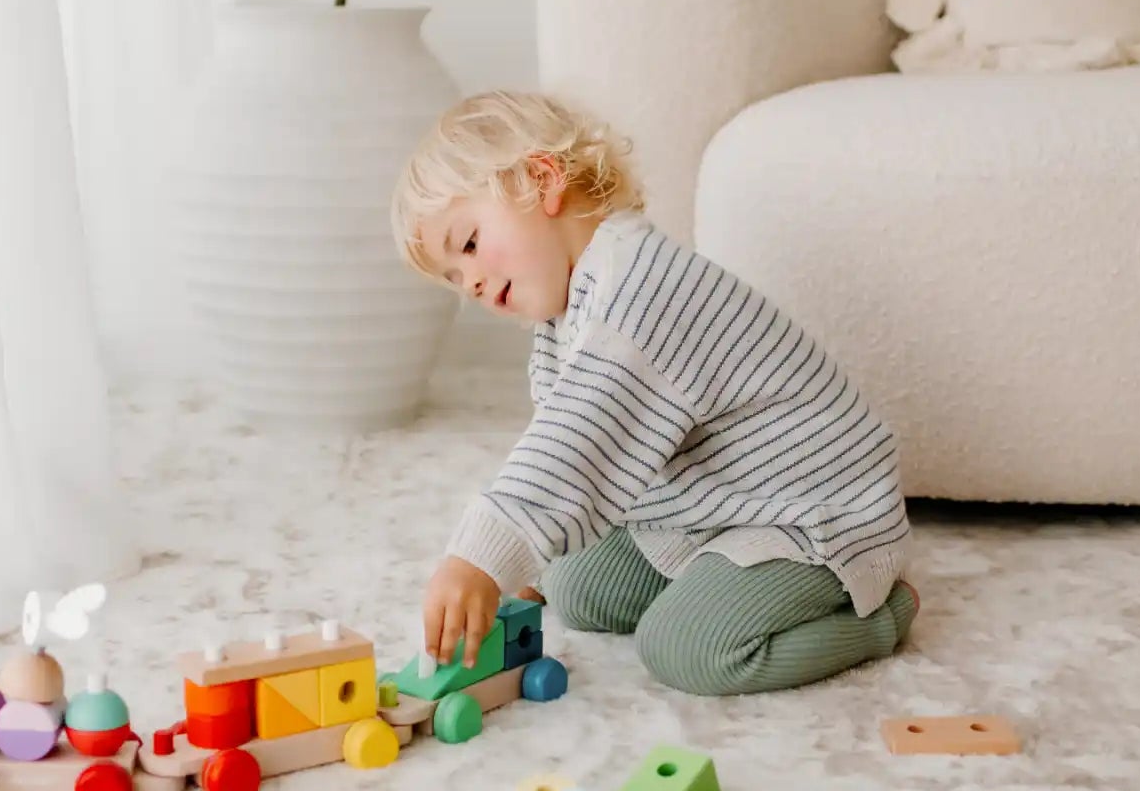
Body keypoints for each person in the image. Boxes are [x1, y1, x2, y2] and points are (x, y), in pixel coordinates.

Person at [391, 90, 918, 696]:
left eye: (470, 244)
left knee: (687, 649)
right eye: (455, 279)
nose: (474, 284)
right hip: (715, 506)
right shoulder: (573, 308)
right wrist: (526, 558)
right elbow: (585, 453)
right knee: (576, 586)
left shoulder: (642, 290)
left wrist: (480, 557)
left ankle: (881, 615)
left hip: (810, 515)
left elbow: (578, 443)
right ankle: (718, 581)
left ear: (542, 180)